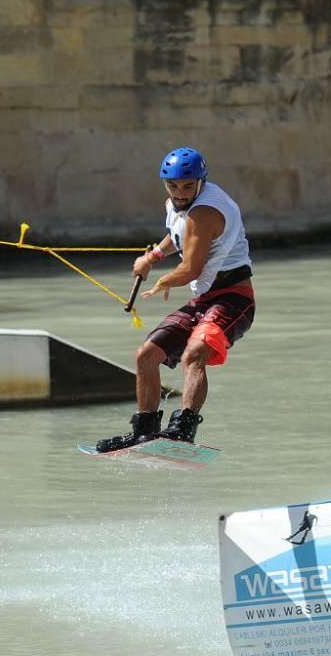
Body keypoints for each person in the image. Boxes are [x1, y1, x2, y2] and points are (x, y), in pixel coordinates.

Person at [96, 147, 256, 452]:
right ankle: (144, 431)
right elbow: (179, 234)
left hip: (234, 299)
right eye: (173, 186)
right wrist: (155, 255)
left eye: (187, 186)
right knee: (147, 355)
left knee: (193, 355)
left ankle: (183, 430)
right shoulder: (177, 205)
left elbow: (190, 269)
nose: (180, 193)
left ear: (201, 182)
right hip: (204, 299)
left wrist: (160, 280)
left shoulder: (206, 211)